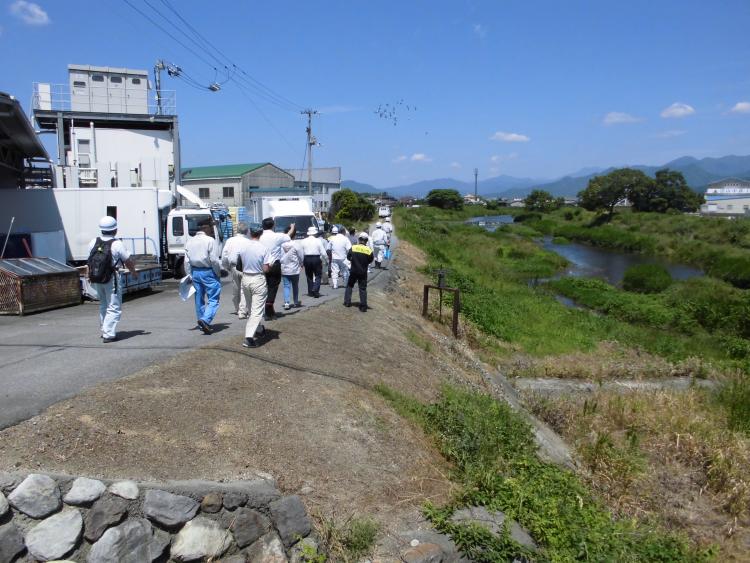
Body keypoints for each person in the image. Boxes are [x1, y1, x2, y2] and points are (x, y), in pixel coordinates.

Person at [87, 216, 137, 343]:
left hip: (97, 277)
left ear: (101, 229)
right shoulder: (117, 243)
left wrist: (89, 276)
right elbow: (128, 261)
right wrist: (133, 272)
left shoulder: (94, 242)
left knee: (103, 304)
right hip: (111, 277)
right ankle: (109, 334)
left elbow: (89, 261)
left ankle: (104, 329)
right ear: (115, 230)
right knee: (114, 306)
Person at [228, 224, 273, 348]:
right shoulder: (264, 248)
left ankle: (258, 329)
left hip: (245, 277)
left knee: (250, 307)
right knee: (257, 311)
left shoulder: (243, 247)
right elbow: (266, 268)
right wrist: (270, 266)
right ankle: (248, 338)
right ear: (261, 233)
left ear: (250, 232)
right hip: (258, 278)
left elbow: (237, 262)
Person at [184, 219, 222, 334]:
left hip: (195, 272)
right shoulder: (210, 240)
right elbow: (214, 260)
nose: (212, 230)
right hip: (208, 271)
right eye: (211, 227)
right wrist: (218, 273)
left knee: (199, 299)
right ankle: (205, 320)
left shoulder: (190, 241)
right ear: (206, 228)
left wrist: (189, 275)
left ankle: (201, 322)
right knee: (213, 298)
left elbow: (186, 261)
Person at [259, 217, 295, 321]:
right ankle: (268, 309)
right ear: (273, 225)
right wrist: (292, 227)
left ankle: (269, 311)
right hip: (274, 264)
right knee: (273, 287)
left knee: (264, 288)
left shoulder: (260, 236)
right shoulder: (276, 236)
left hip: (262, 265)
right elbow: (289, 236)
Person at [221, 222, 249, 319]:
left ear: (237, 230)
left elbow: (224, 255)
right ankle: (242, 311)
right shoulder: (248, 241)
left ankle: (237, 308)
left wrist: (226, 266)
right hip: (245, 267)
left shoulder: (230, 240)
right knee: (243, 289)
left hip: (233, 266)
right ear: (247, 231)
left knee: (236, 288)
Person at [344, 232, 374, 312]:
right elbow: (370, 260)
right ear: (366, 240)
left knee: (350, 286)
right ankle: (363, 306)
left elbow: (348, 257)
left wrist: (353, 260)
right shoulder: (368, 250)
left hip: (353, 271)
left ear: (359, 239)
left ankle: (347, 302)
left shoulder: (353, 247)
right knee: (362, 288)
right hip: (363, 272)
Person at [300, 226, 328, 297]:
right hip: (316, 258)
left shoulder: (303, 241)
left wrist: (301, 262)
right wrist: (327, 260)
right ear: (315, 233)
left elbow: (301, 253)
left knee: (309, 276)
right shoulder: (318, 240)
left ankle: (310, 291)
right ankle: (315, 289)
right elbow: (323, 252)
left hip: (307, 258)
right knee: (318, 275)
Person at [280, 238, 304, 309]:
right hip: (294, 268)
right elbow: (301, 256)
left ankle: (287, 302)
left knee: (286, 286)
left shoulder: (281, 245)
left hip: (284, 268)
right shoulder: (297, 245)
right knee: (295, 286)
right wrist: (301, 263)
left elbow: (279, 256)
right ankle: (296, 302)